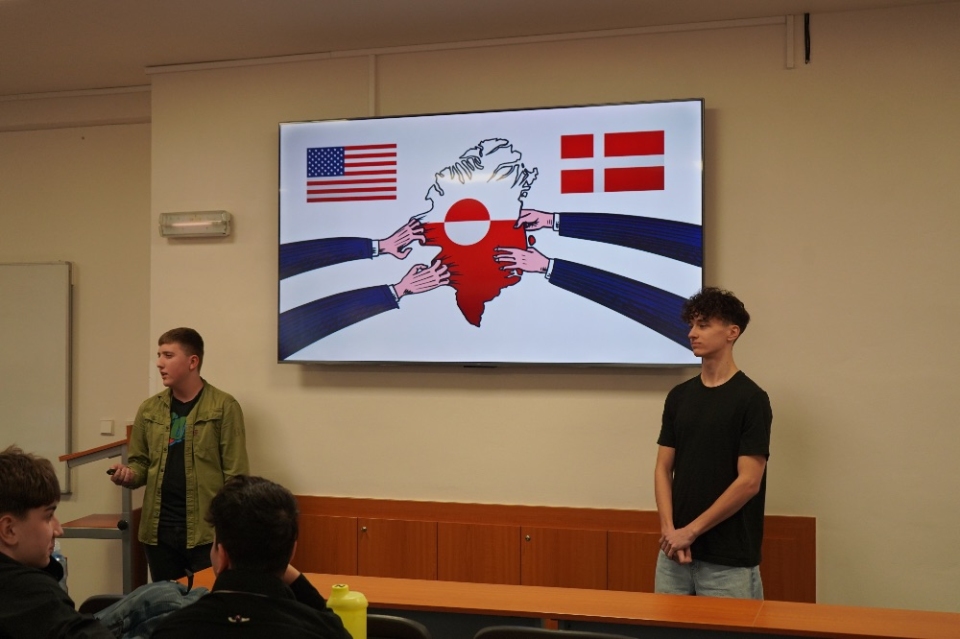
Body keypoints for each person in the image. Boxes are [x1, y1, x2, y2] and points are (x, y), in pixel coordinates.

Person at [653, 287, 772, 599]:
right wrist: (669, 531)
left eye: (703, 325)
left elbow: (749, 482)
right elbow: (663, 469)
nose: (692, 333)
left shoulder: (751, 399)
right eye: (691, 325)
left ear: (732, 332)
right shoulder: (679, 396)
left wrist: (690, 532)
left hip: (727, 562)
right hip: (674, 555)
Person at [110, 327, 249, 582]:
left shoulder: (223, 406)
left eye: (168, 355)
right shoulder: (149, 409)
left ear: (192, 362)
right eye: (159, 355)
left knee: (206, 600)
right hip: (159, 532)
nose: (159, 363)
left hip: (206, 533)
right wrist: (128, 475)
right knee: (166, 600)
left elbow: (236, 476)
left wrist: (229, 530)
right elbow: (140, 463)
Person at [151, 475, 351, 639]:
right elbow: (331, 625)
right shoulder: (322, 631)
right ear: (292, 552)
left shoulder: (172, 629)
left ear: (222, 556)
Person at [0, 445, 115, 638]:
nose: (58, 530)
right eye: (48, 516)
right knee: (161, 600)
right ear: (9, 530)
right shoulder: (32, 593)